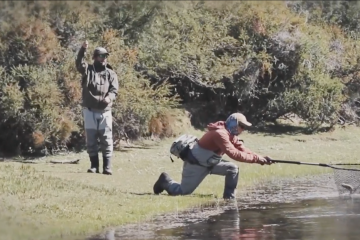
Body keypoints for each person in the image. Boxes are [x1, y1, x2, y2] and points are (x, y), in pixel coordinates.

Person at [153, 113, 273, 199]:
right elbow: (234, 153)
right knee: (182, 192)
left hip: (211, 163)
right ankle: (165, 181)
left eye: (244, 127)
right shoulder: (220, 134)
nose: (243, 129)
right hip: (197, 164)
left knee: (232, 169)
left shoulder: (231, 135)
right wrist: (257, 159)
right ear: (233, 123)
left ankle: (229, 199)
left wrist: (261, 158)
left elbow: (242, 149)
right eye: (241, 126)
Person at [75, 40, 119, 175]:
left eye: (105, 56)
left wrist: (109, 98)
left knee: (106, 139)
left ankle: (107, 167)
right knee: (91, 139)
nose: (104, 59)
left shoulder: (111, 74)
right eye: (101, 56)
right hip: (89, 110)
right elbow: (79, 63)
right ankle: (94, 166)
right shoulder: (88, 70)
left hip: (105, 111)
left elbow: (114, 90)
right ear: (95, 57)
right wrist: (83, 49)